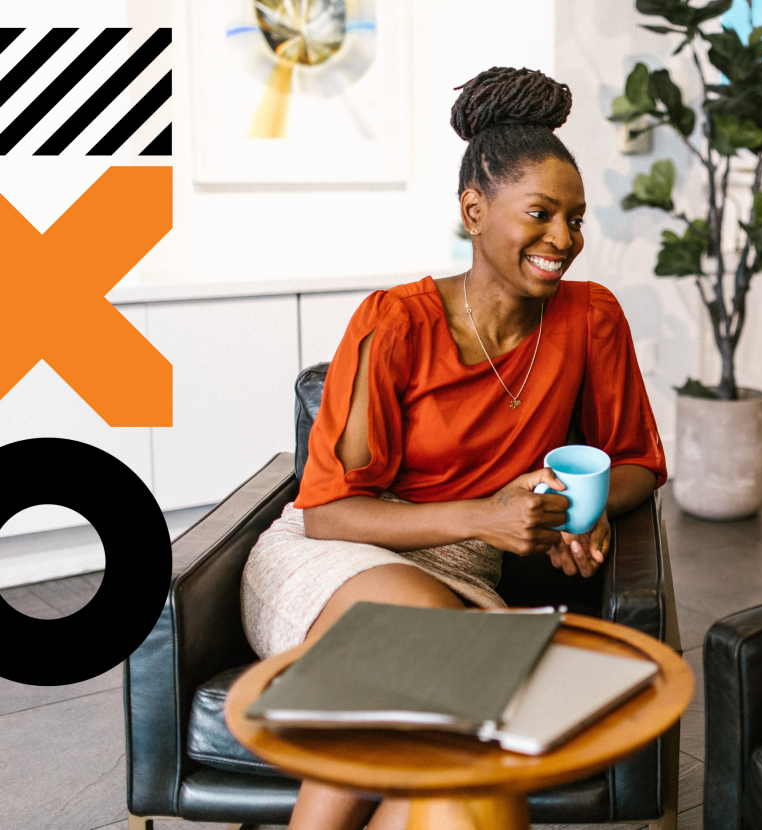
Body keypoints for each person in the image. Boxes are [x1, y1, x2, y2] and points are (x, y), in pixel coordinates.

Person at [239, 67, 666, 830]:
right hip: (332, 560)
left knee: (451, 776)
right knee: (429, 659)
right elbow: (330, 513)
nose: (562, 239)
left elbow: (636, 461)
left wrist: (581, 510)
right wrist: (486, 518)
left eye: (575, 219)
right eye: (539, 213)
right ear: (474, 210)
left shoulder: (591, 318)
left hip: (461, 572)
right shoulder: (394, 323)